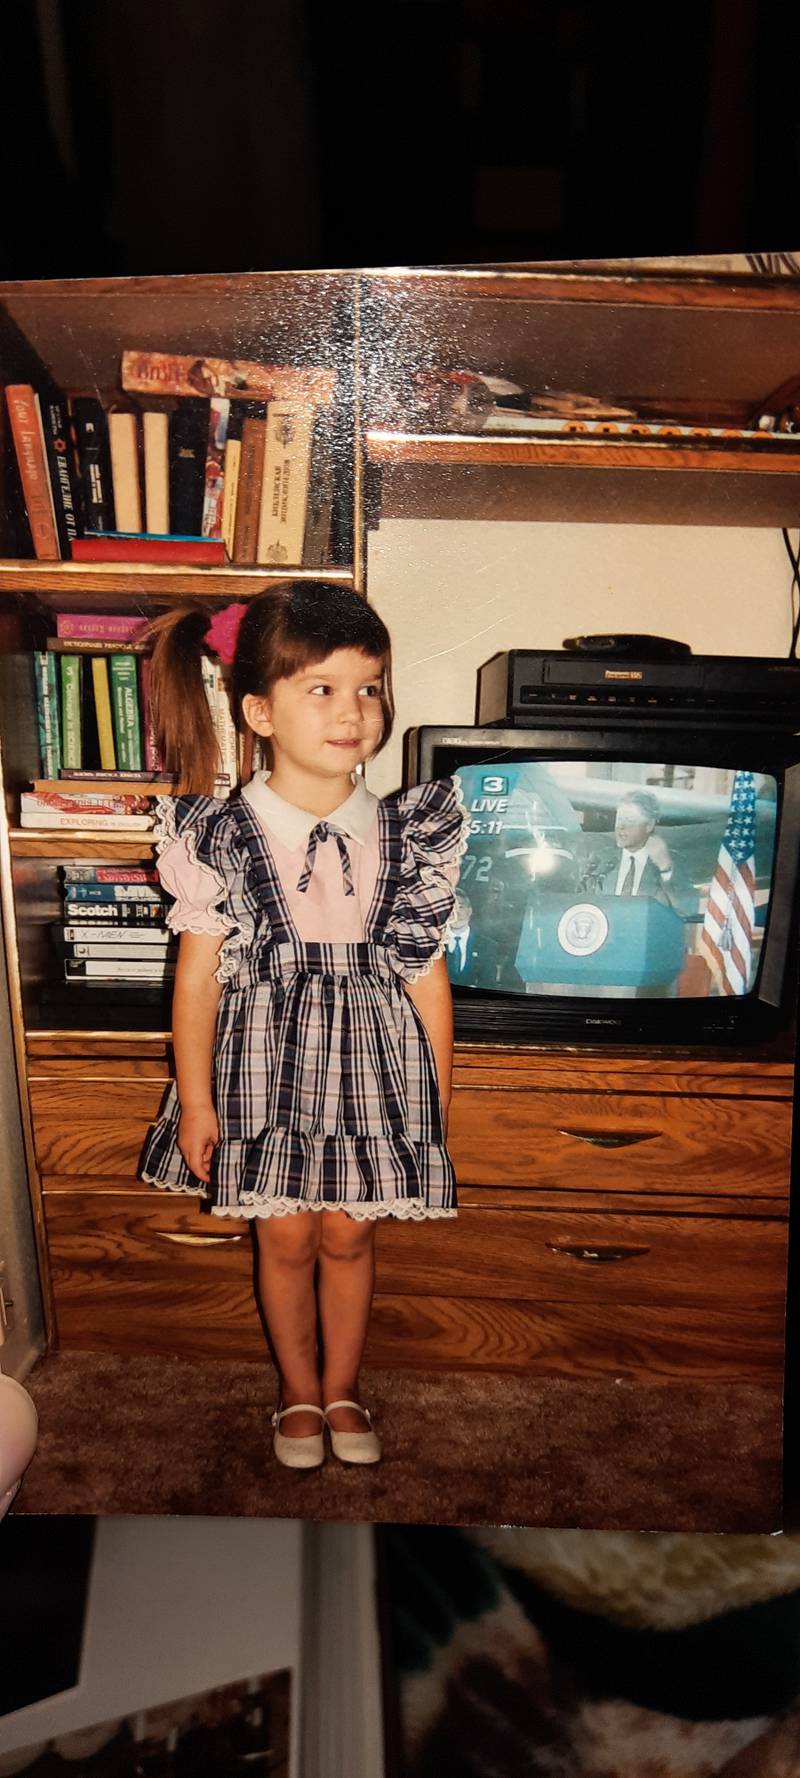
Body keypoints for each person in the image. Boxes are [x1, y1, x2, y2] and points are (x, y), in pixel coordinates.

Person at [139, 582, 467, 1472]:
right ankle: (295, 1391)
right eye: (320, 688)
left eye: (369, 687)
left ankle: (344, 1386)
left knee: (350, 1232)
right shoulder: (221, 836)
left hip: (375, 1073)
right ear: (258, 709)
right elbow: (199, 983)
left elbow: (426, 979)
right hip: (262, 1070)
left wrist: (433, 1095)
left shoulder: (409, 833)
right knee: (284, 1234)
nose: (352, 710)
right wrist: (196, 1104)